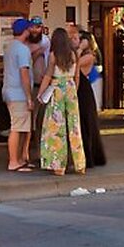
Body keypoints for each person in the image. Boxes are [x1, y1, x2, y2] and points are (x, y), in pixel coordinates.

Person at [36, 28, 86, 176]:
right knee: (74, 126)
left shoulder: (53, 56)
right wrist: (74, 90)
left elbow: (48, 76)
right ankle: (80, 164)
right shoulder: (74, 55)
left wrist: (40, 93)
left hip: (57, 89)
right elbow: (77, 76)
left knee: (56, 128)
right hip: (70, 88)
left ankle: (59, 166)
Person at [70, 25, 106, 168]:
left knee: (86, 124)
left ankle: (89, 157)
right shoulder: (77, 53)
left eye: (77, 39)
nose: (75, 41)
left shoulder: (89, 56)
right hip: (78, 89)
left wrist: (79, 50)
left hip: (84, 91)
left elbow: (74, 66)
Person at [3, 19, 35, 172]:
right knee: (17, 128)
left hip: (9, 90)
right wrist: (29, 97)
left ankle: (20, 159)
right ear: (26, 31)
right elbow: (24, 74)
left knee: (21, 127)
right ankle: (14, 161)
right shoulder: (23, 50)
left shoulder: (9, 47)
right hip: (19, 94)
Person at [26, 17, 51, 167]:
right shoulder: (26, 44)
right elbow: (27, 62)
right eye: (33, 27)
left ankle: (42, 150)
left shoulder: (46, 41)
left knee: (43, 119)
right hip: (32, 84)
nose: (35, 30)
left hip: (45, 85)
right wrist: (37, 53)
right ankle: (30, 151)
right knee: (31, 119)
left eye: (38, 27)